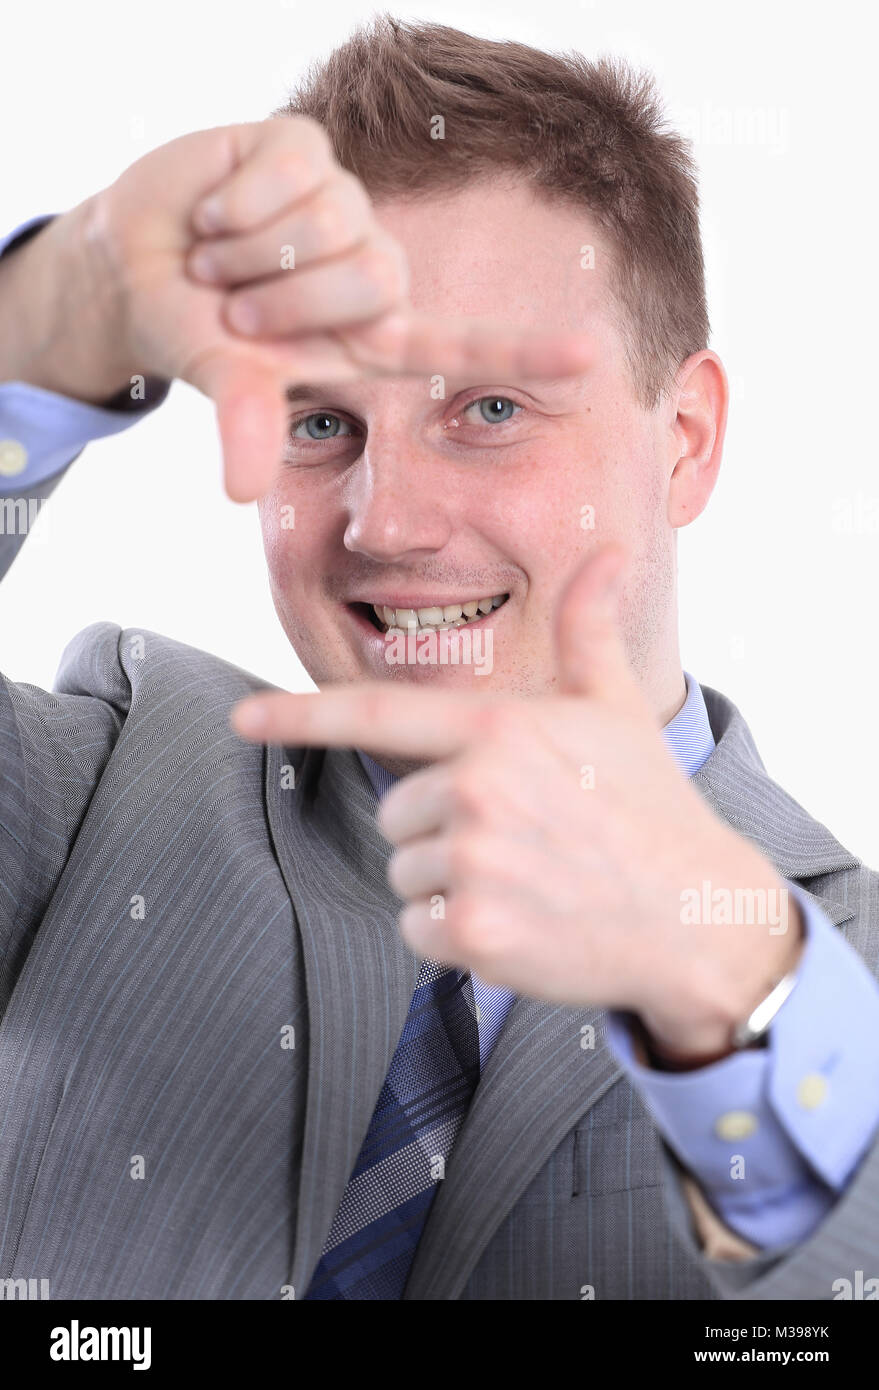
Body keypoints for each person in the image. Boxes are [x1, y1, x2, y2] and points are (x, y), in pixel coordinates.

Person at [0, 18, 876, 1301]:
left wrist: (734, 984)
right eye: (321, 419)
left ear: (684, 439)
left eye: (491, 408)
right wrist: (45, 328)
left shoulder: (842, 967)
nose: (384, 518)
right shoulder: (88, 797)